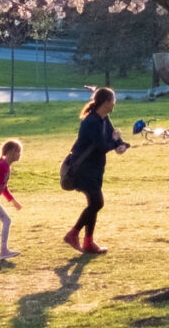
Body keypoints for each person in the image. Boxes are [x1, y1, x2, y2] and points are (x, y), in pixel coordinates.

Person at [61, 87, 130, 255]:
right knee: (97, 203)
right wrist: (114, 143)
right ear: (106, 102)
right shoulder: (91, 122)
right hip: (83, 170)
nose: (114, 104)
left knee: (93, 204)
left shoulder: (104, 119)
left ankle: (88, 243)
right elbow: (102, 146)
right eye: (113, 100)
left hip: (96, 169)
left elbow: (113, 137)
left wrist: (122, 144)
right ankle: (73, 234)